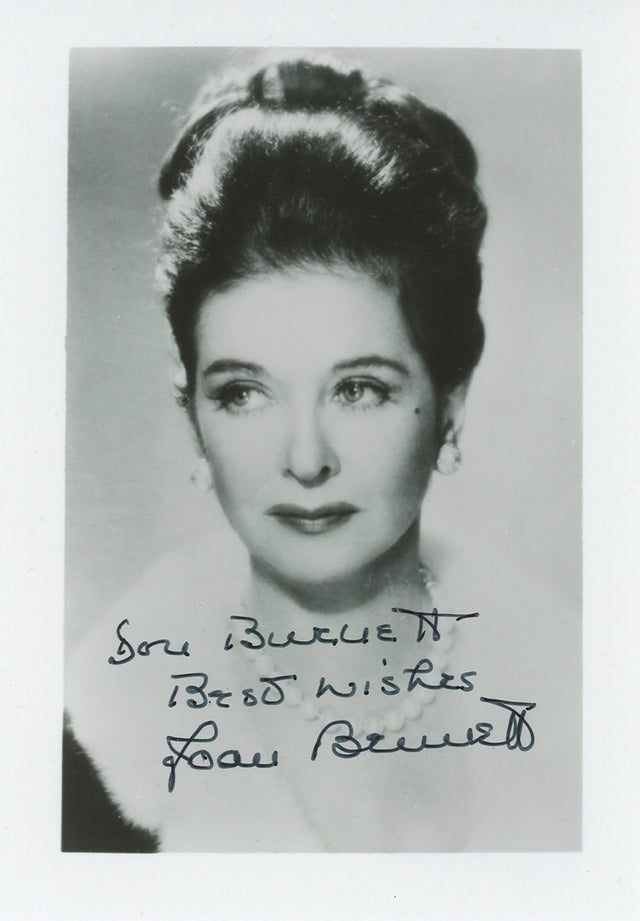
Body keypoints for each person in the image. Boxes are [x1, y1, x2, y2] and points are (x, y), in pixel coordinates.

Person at [64, 53, 574, 853]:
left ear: (451, 400)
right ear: (193, 414)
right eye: (244, 391)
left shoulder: (580, 703)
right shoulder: (98, 752)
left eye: (358, 388)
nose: (306, 459)